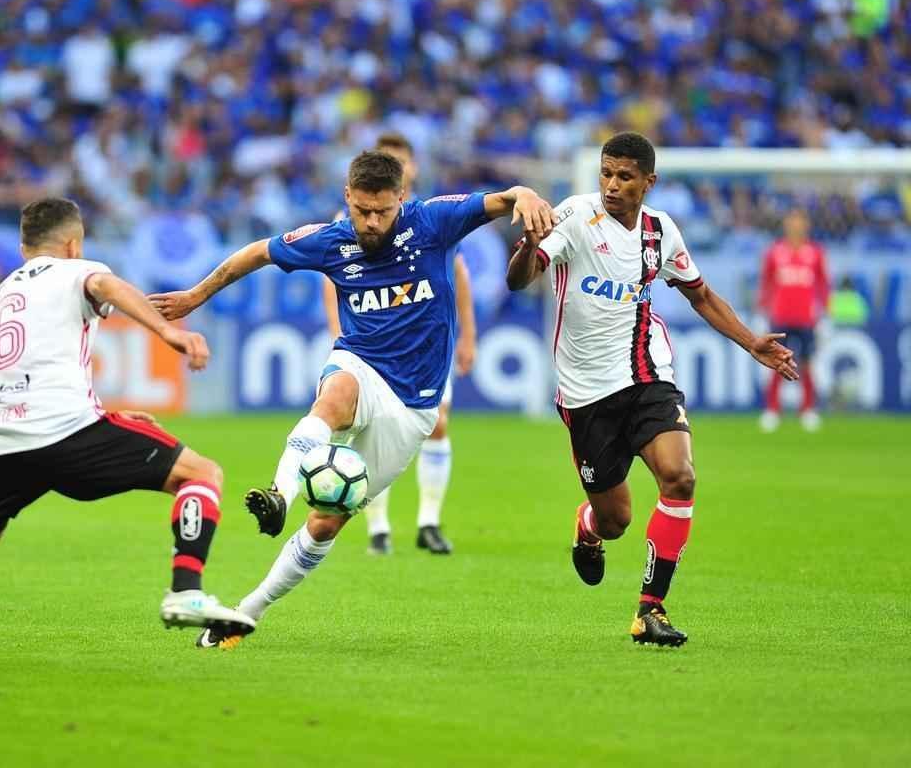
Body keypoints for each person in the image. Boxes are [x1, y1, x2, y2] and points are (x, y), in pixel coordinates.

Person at [151, 151, 555, 649]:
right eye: (362, 210)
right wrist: (196, 295)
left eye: (381, 212)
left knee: (325, 524)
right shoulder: (332, 239)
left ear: (400, 200)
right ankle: (279, 492)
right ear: (348, 196)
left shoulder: (433, 220)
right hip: (360, 363)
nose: (370, 221)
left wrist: (528, 194)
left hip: (413, 406)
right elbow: (257, 251)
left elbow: (505, 198)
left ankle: (245, 612)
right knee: (334, 395)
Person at [0, 198, 254, 676]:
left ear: (24, 245)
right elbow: (105, 284)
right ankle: (186, 590)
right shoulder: (76, 271)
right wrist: (169, 334)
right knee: (202, 474)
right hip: (63, 433)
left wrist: (99, 415)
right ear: (72, 243)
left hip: (1, 440)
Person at [506, 132, 799, 647]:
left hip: (647, 375)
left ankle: (650, 609)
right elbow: (519, 280)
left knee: (679, 477)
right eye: (606, 174)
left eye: (624, 177)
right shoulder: (575, 216)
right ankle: (588, 526)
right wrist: (530, 244)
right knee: (615, 519)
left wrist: (751, 341)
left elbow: (700, 294)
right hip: (586, 394)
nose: (612, 186)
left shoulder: (662, 232)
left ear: (648, 182)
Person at [322, 132, 476, 556]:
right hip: (370, 344)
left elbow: (458, 276)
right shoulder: (352, 219)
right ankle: (378, 528)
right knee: (373, 430)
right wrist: (344, 337)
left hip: (426, 344)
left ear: (410, 172)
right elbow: (330, 279)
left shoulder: (430, 219)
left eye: (402, 162)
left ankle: (428, 521)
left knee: (438, 425)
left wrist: (469, 336)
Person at [758, 209, 830, 432]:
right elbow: (766, 284)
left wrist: (825, 315)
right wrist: (762, 313)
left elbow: (824, 285)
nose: (796, 226)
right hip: (780, 316)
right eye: (792, 222)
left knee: (808, 364)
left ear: (806, 225)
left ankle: (808, 409)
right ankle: (772, 409)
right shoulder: (775, 252)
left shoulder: (815, 253)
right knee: (777, 363)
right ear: (786, 225)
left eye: (800, 222)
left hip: (807, 319)